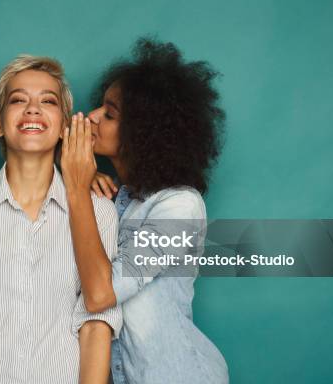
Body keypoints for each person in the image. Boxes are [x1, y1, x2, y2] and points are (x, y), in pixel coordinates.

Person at [0, 54, 122, 384]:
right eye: (18, 100)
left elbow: (95, 326)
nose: (33, 109)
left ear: (63, 127)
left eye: (48, 101)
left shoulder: (99, 212)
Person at [60, 38, 229, 384]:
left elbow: (101, 295)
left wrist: (77, 186)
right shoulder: (117, 200)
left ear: (143, 131)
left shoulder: (181, 206)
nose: (91, 117)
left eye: (109, 114)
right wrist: (84, 182)